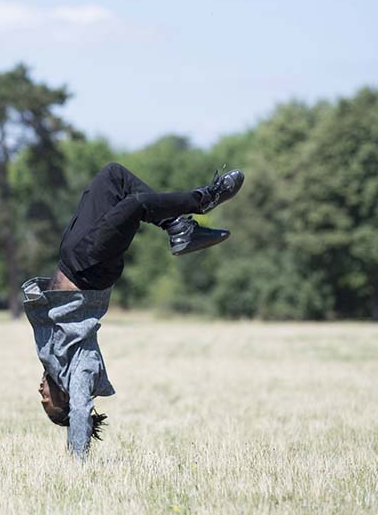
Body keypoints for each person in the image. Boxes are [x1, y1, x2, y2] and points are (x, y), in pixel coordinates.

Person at [25, 162, 244, 457]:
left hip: (70, 256)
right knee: (136, 204)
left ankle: (179, 228)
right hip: (90, 269)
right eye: (47, 402)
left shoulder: (47, 356)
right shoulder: (81, 367)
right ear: (65, 397)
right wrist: (76, 461)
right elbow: (80, 413)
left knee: (113, 175)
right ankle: (205, 199)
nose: (40, 394)